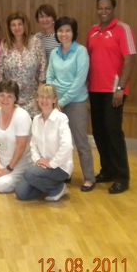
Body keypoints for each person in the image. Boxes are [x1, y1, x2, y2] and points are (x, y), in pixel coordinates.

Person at [87, 0, 137, 194]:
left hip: (114, 91)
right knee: (99, 132)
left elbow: (130, 60)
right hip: (95, 90)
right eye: (100, 8)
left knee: (113, 131)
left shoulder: (123, 29)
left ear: (113, 9)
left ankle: (122, 177)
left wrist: (120, 88)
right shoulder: (92, 31)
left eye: (107, 8)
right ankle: (107, 170)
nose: (103, 11)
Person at [47, 16, 95, 191]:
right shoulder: (54, 53)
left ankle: (89, 178)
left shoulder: (81, 51)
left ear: (74, 33)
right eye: (60, 30)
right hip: (57, 102)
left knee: (81, 142)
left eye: (68, 30)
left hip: (76, 102)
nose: (64, 34)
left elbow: (79, 81)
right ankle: (63, 174)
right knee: (60, 142)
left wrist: (62, 101)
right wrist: (53, 99)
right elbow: (50, 76)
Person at [15, 85, 74, 202]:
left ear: (54, 100)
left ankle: (58, 189)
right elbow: (33, 145)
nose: (44, 100)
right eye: (41, 96)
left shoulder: (61, 118)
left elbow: (67, 146)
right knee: (21, 193)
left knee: (29, 174)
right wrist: (38, 160)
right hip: (42, 166)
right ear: (37, 99)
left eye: (48, 97)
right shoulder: (36, 120)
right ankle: (49, 185)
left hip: (60, 167)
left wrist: (51, 163)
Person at [0, 81, 33, 193]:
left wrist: (8, 169)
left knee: (1, 186)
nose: (5, 99)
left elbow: (21, 146)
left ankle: (24, 178)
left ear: (15, 98)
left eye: (9, 96)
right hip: (2, 161)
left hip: (19, 163)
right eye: (2, 95)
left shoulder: (22, 116)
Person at [0, 12, 46, 117]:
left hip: (32, 100)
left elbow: (43, 69)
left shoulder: (36, 42)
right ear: (9, 28)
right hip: (10, 100)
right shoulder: (5, 44)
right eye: (13, 25)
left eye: (20, 24)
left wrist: (40, 96)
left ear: (24, 25)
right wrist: (2, 97)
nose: (17, 27)